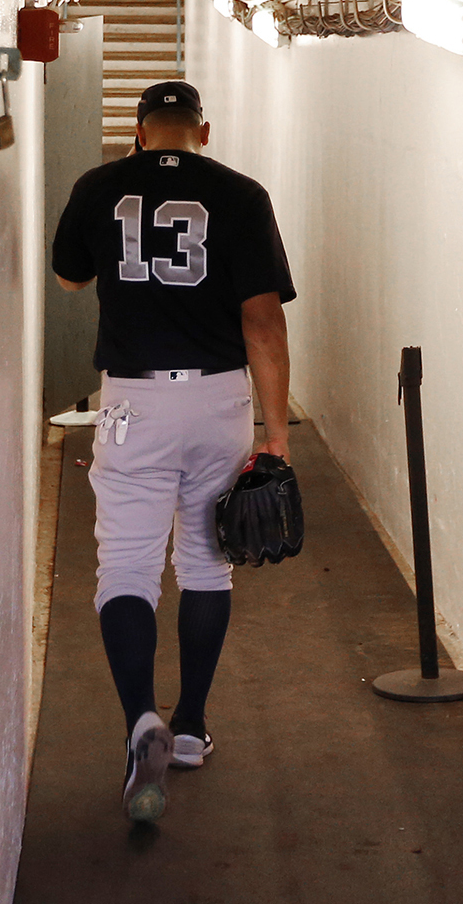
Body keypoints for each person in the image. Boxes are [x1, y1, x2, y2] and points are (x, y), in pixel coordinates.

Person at [51, 80, 295, 823]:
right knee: (204, 560)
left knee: (126, 564)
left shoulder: (100, 185)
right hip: (219, 398)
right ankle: (188, 724)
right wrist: (275, 434)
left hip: (134, 400)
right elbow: (261, 324)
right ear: (203, 129)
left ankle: (140, 721)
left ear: (139, 131)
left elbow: (70, 273)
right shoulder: (242, 194)